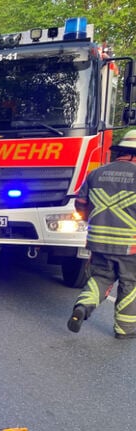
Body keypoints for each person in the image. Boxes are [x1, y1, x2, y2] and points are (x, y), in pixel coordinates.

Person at [68, 130, 136, 338]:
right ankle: (125, 329)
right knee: (129, 284)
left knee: (100, 278)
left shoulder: (96, 173)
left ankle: (83, 306)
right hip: (130, 244)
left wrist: (94, 224)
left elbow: (80, 204)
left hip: (98, 240)